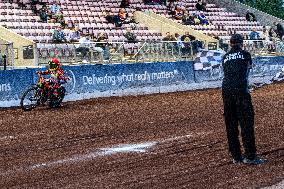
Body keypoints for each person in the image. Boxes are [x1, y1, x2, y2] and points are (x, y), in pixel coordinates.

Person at [222, 34, 267, 165]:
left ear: (230, 43)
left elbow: (229, 73)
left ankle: (236, 156)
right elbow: (247, 70)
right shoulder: (246, 54)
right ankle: (250, 156)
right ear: (241, 43)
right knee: (246, 123)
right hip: (241, 91)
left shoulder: (225, 57)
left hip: (226, 92)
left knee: (231, 125)